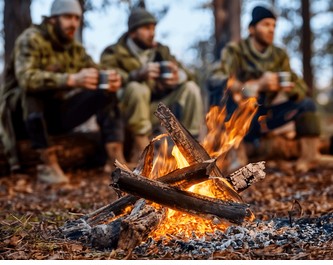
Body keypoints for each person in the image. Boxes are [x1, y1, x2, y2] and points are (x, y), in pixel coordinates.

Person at [0, 0, 124, 184]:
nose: (73, 23)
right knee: (32, 92)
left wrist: (113, 78)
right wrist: (71, 80)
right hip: (22, 118)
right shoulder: (31, 39)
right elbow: (26, 79)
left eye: (77, 18)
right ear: (52, 19)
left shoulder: (75, 49)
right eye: (68, 17)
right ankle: (46, 164)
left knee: (104, 91)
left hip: (56, 115)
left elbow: (98, 70)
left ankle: (114, 156)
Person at [215, 5, 333, 172]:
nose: (271, 29)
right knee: (229, 98)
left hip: (270, 115)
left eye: (273, 26)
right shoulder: (235, 51)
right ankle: (237, 155)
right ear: (252, 29)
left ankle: (309, 156)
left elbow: (299, 85)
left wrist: (286, 89)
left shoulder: (279, 54)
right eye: (266, 25)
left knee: (307, 104)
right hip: (246, 116)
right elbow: (219, 79)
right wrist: (255, 85)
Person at [100, 8, 203, 162]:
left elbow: (189, 75)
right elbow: (107, 77)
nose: (152, 33)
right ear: (133, 32)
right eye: (147, 28)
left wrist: (178, 76)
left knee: (191, 88)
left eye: (154, 28)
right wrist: (136, 74)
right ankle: (142, 146)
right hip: (125, 111)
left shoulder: (160, 50)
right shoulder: (113, 52)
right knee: (137, 88)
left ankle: (190, 143)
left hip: (155, 109)